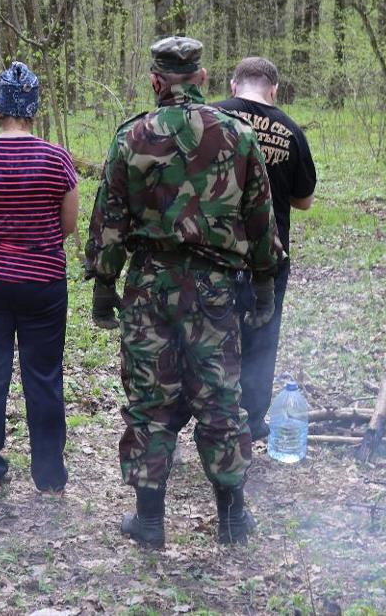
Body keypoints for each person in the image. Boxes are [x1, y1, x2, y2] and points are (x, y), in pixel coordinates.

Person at [85, 36, 282, 549]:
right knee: (220, 402)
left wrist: (104, 283)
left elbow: (109, 217)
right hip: (215, 292)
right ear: (201, 79)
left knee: (151, 403)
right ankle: (233, 518)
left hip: (150, 288)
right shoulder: (238, 136)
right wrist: (264, 282)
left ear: (155, 81)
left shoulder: (132, 137)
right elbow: (261, 218)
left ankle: (150, 520)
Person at [0, 62, 78, 497]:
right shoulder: (56, 157)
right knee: (43, 376)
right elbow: (68, 222)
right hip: (42, 279)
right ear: (34, 107)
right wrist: (35, 240)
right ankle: (48, 478)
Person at [213, 57, 316, 440]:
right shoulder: (290, 130)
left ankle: (209, 419)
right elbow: (304, 200)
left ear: (232, 84)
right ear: (274, 89)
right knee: (261, 341)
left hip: (216, 254)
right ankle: (252, 422)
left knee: (210, 337)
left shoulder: (211, 118)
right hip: (268, 257)